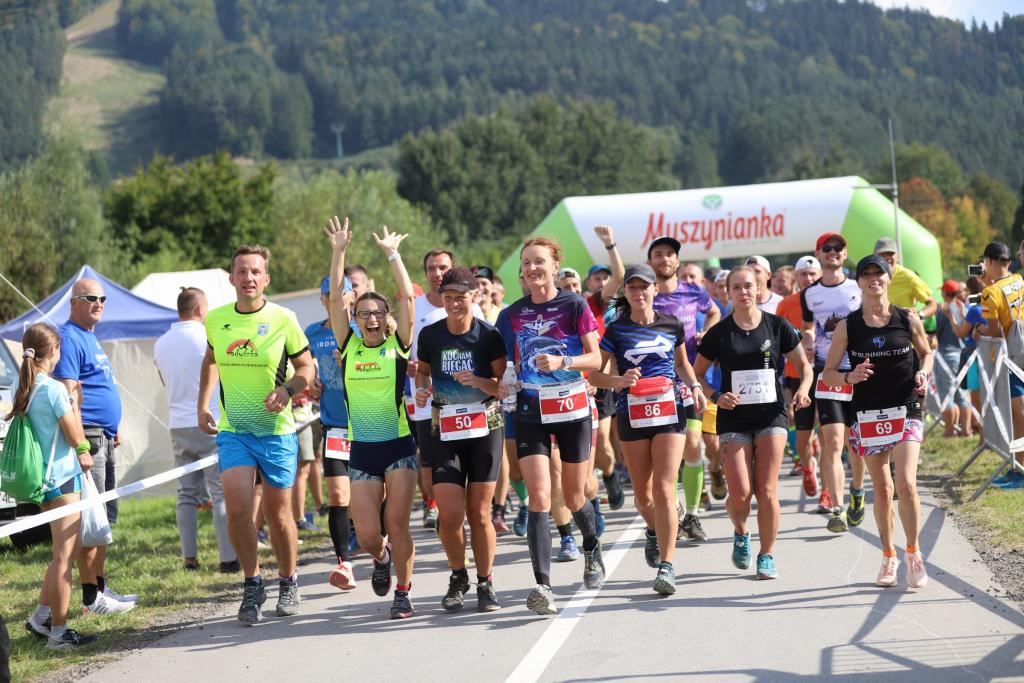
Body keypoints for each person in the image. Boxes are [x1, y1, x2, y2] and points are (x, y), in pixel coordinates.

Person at [198, 244, 316, 624]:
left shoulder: (283, 318)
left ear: (266, 278)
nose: (248, 278)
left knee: (280, 517)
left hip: (276, 432)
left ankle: (289, 580)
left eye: (255, 272)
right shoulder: (216, 320)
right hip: (235, 431)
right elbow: (211, 360)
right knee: (237, 512)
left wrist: (288, 390)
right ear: (231, 278)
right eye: (242, 271)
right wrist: (203, 405)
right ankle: (252, 583)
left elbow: (307, 368)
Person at [496, 237, 603, 615]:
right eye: (526, 263)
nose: (532, 268)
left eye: (539, 261)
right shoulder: (511, 314)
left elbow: (595, 359)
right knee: (540, 498)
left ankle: (591, 546)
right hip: (530, 410)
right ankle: (542, 586)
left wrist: (564, 363)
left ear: (555, 266)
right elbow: (502, 363)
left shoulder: (574, 305)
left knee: (574, 496)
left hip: (572, 406)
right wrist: (502, 381)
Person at [590, 264, 706, 594]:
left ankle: (667, 566)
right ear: (625, 292)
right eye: (633, 287)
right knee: (643, 496)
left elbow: (682, 363)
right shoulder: (616, 330)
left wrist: (695, 386)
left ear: (655, 289)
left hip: (669, 410)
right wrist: (619, 380)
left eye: (645, 287)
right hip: (632, 413)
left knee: (665, 488)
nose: (639, 293)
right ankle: (653, 531)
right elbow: (594, 375)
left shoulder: (671, 323)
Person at [325, 216, 419, 619]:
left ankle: (403, 592)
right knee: (366, 535)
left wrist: (393, 255)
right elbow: (334, 300)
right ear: (356, 318)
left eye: (378, 312)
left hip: (399, 447)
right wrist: (338, 251)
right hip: (362, 450)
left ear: (386, 315)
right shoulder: (348, 346)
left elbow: (408, 298)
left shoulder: (398, 345)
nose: (372, 318)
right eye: (364, 313)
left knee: (397, 526)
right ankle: (380, 559)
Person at [821, 255, 933, 588]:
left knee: (906, 483)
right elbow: (828, 374)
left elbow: (926, 352)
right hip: (868, 413)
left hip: (906, 408)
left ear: (888, 278)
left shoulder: (907, 318)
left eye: (879, 273)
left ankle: (913, 551)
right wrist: (850, 376)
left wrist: (923, 373)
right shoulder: (848, 326)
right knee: (882, 490)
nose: (874, 279)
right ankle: (888, 556)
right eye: (866, 274)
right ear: (859, 282)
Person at [694, 266, 812, 580]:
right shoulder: (719, 333)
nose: (743, 292)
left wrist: (802, 389)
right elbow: (696, 374)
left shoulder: (778, 326)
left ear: (759, 288)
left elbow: (805, 367)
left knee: (767, 490)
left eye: (748, 286)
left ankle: (767, 555)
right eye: (736, 287)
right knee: (740, 494)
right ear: (728, 293)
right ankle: (741, 531)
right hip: (733, 416)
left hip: (771, 414)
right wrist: (716, 396)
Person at [415, 266, 507, 612]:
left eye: (461, 297)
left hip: (484, 427)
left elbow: (504, 386)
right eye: (448, 297)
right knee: (450, 515)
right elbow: (423, 373)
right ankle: (458, 576)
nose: (454, 304)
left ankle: (485, 582)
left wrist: (478, 382)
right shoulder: (431, 335)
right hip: (445, 429)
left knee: (479, 513)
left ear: (474, 296)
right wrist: (422, 390)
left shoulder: (488, 336)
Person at [52, 278, 137, 613]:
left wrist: (112, 427)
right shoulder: (71, 337)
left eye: (102, 298)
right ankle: (91, 598)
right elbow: (67, 395)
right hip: (88, 437)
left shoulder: (89, 335)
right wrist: (81, 445)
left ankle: (99, 588)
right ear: (73, 302)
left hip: (103, 435)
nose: (98, 303)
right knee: (92, 520)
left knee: (104, 519)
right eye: (90, 298)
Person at [16, 324, 101, 649]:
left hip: (42, 478)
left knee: (58, 555)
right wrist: (74, 401)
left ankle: (41, 617)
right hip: (64, 477)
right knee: (65, 558)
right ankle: (59, 632)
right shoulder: (53, 389)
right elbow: (74, 434)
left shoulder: (25, 387)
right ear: (53, 350)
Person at [153, 287, 237, 573]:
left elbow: (164, 381)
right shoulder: (208, 336)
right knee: (220, 492)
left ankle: (189, 557)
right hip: (210, 420)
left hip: (178, 423)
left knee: (186, 494)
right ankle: (228, 558)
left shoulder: (161, 343)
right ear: (201, 309)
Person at [648, 237, 720, 541]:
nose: (664, 259)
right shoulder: (645, 293)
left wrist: (707, 332)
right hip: (654, 383)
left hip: (688, 379)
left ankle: (691, 514)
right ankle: (672, 508)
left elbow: (714, 312)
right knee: (664, 455)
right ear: (651, 261)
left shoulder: (694, 291)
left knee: (692, 443)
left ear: (677, 261)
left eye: (669, 254)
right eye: (658, 254)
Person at [408, 248, 484, 530]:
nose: (437, 273)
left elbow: (486, 351)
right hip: (429, 403)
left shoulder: (473, 307)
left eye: (442, 267)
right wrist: (412, 369)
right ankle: (437, 506)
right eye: (431, 268)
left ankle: (461, 513)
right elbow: (405, 348)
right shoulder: (415, 307)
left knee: (466, 468)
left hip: (469, 402)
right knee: (430, 470)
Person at [800, 232, 865, 532]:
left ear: (845, 253)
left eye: (838, 248)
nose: (833, 252)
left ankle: (857, 492)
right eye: (827, 248)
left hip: (860, 372)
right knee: (833, 442)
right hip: (828, 373)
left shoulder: (857, 287)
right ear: (819, 253)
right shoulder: (809, 294)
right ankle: (837, 508)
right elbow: (808, 327)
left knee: (856, 443)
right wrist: (808, 340)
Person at [305, 275, 357, 591]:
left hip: (368, 425)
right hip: (334, 425)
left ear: (352, 296)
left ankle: (380, 546)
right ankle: (344, 564)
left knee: (373, 497)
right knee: (338, 495)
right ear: (323, 300)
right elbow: (303, 366)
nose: (334, 300)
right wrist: (311, 382)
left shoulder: (364, 328)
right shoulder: (312, 333)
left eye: (341, 293)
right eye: (329, 295)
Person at [583, 226, 627, 516]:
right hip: (572, 391)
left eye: (603, 278)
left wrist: (610, 244)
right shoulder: (554, 313)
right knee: (585, 457)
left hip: (600, 386)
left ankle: (610, 475)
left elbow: (620, 278)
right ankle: (593, 506)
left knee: (603, 452)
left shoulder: (592, 306)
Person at [979, 241, 1024, 489]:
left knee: (1018, 414)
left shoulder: (990, 293)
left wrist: (978, 328)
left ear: (989, 262)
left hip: (1011, 357)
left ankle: (1020, 470)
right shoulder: (1019, 280)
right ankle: (1016, 466)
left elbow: (994, 331)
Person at [777, 256, 822, 494]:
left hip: (828, 373)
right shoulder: (786, 304)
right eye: (803, 274)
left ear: (820, 275)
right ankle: (807, 465)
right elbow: (777, 341)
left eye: (813, 274)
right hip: (798, 375)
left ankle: (828, 493)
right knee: (803, 438)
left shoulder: (830, 298)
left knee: (831, 435)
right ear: (796, 277)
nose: (808, 278)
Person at [933, 280, 969, 437]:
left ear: (944, 293)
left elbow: (935, 332)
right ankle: (966, 430)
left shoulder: (943, 310)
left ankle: (950, 430)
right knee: (962, 394)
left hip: (945, 355)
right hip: (962, 354)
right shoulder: (963, 308)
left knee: (946, 394)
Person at [873, 237, 938, 320]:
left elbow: (932, 304)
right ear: (874, 256)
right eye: (882, 254)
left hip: (902, 327)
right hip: (875, 325)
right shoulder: (868, 277)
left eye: (890, 253)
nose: (887, 257)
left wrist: (918, 316)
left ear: (898, 256)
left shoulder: (909, 277)